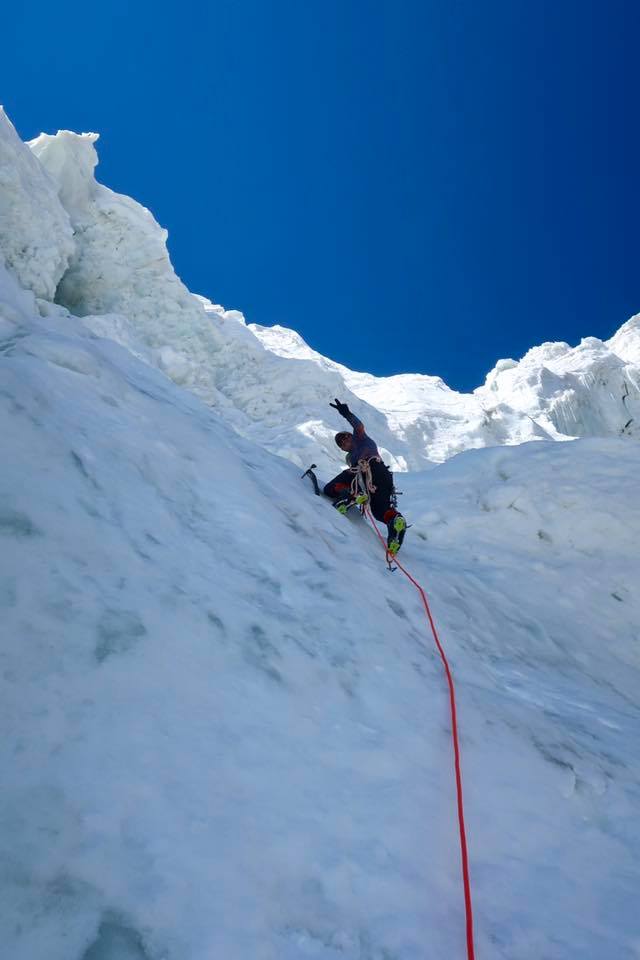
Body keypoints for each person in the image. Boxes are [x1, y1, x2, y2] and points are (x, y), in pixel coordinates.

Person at [324, 398, 407, 555]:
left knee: (329, 488)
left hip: (370, 470)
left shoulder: (361, 439)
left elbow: (359, 426)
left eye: (345, 437)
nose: (343, 441)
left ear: (351, 436)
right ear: (342, 449)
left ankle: (352, 495)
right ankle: (395, 521)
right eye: (340, 443)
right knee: (379, 511)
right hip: (382, 478)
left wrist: (347, 414)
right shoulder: (349, 457)